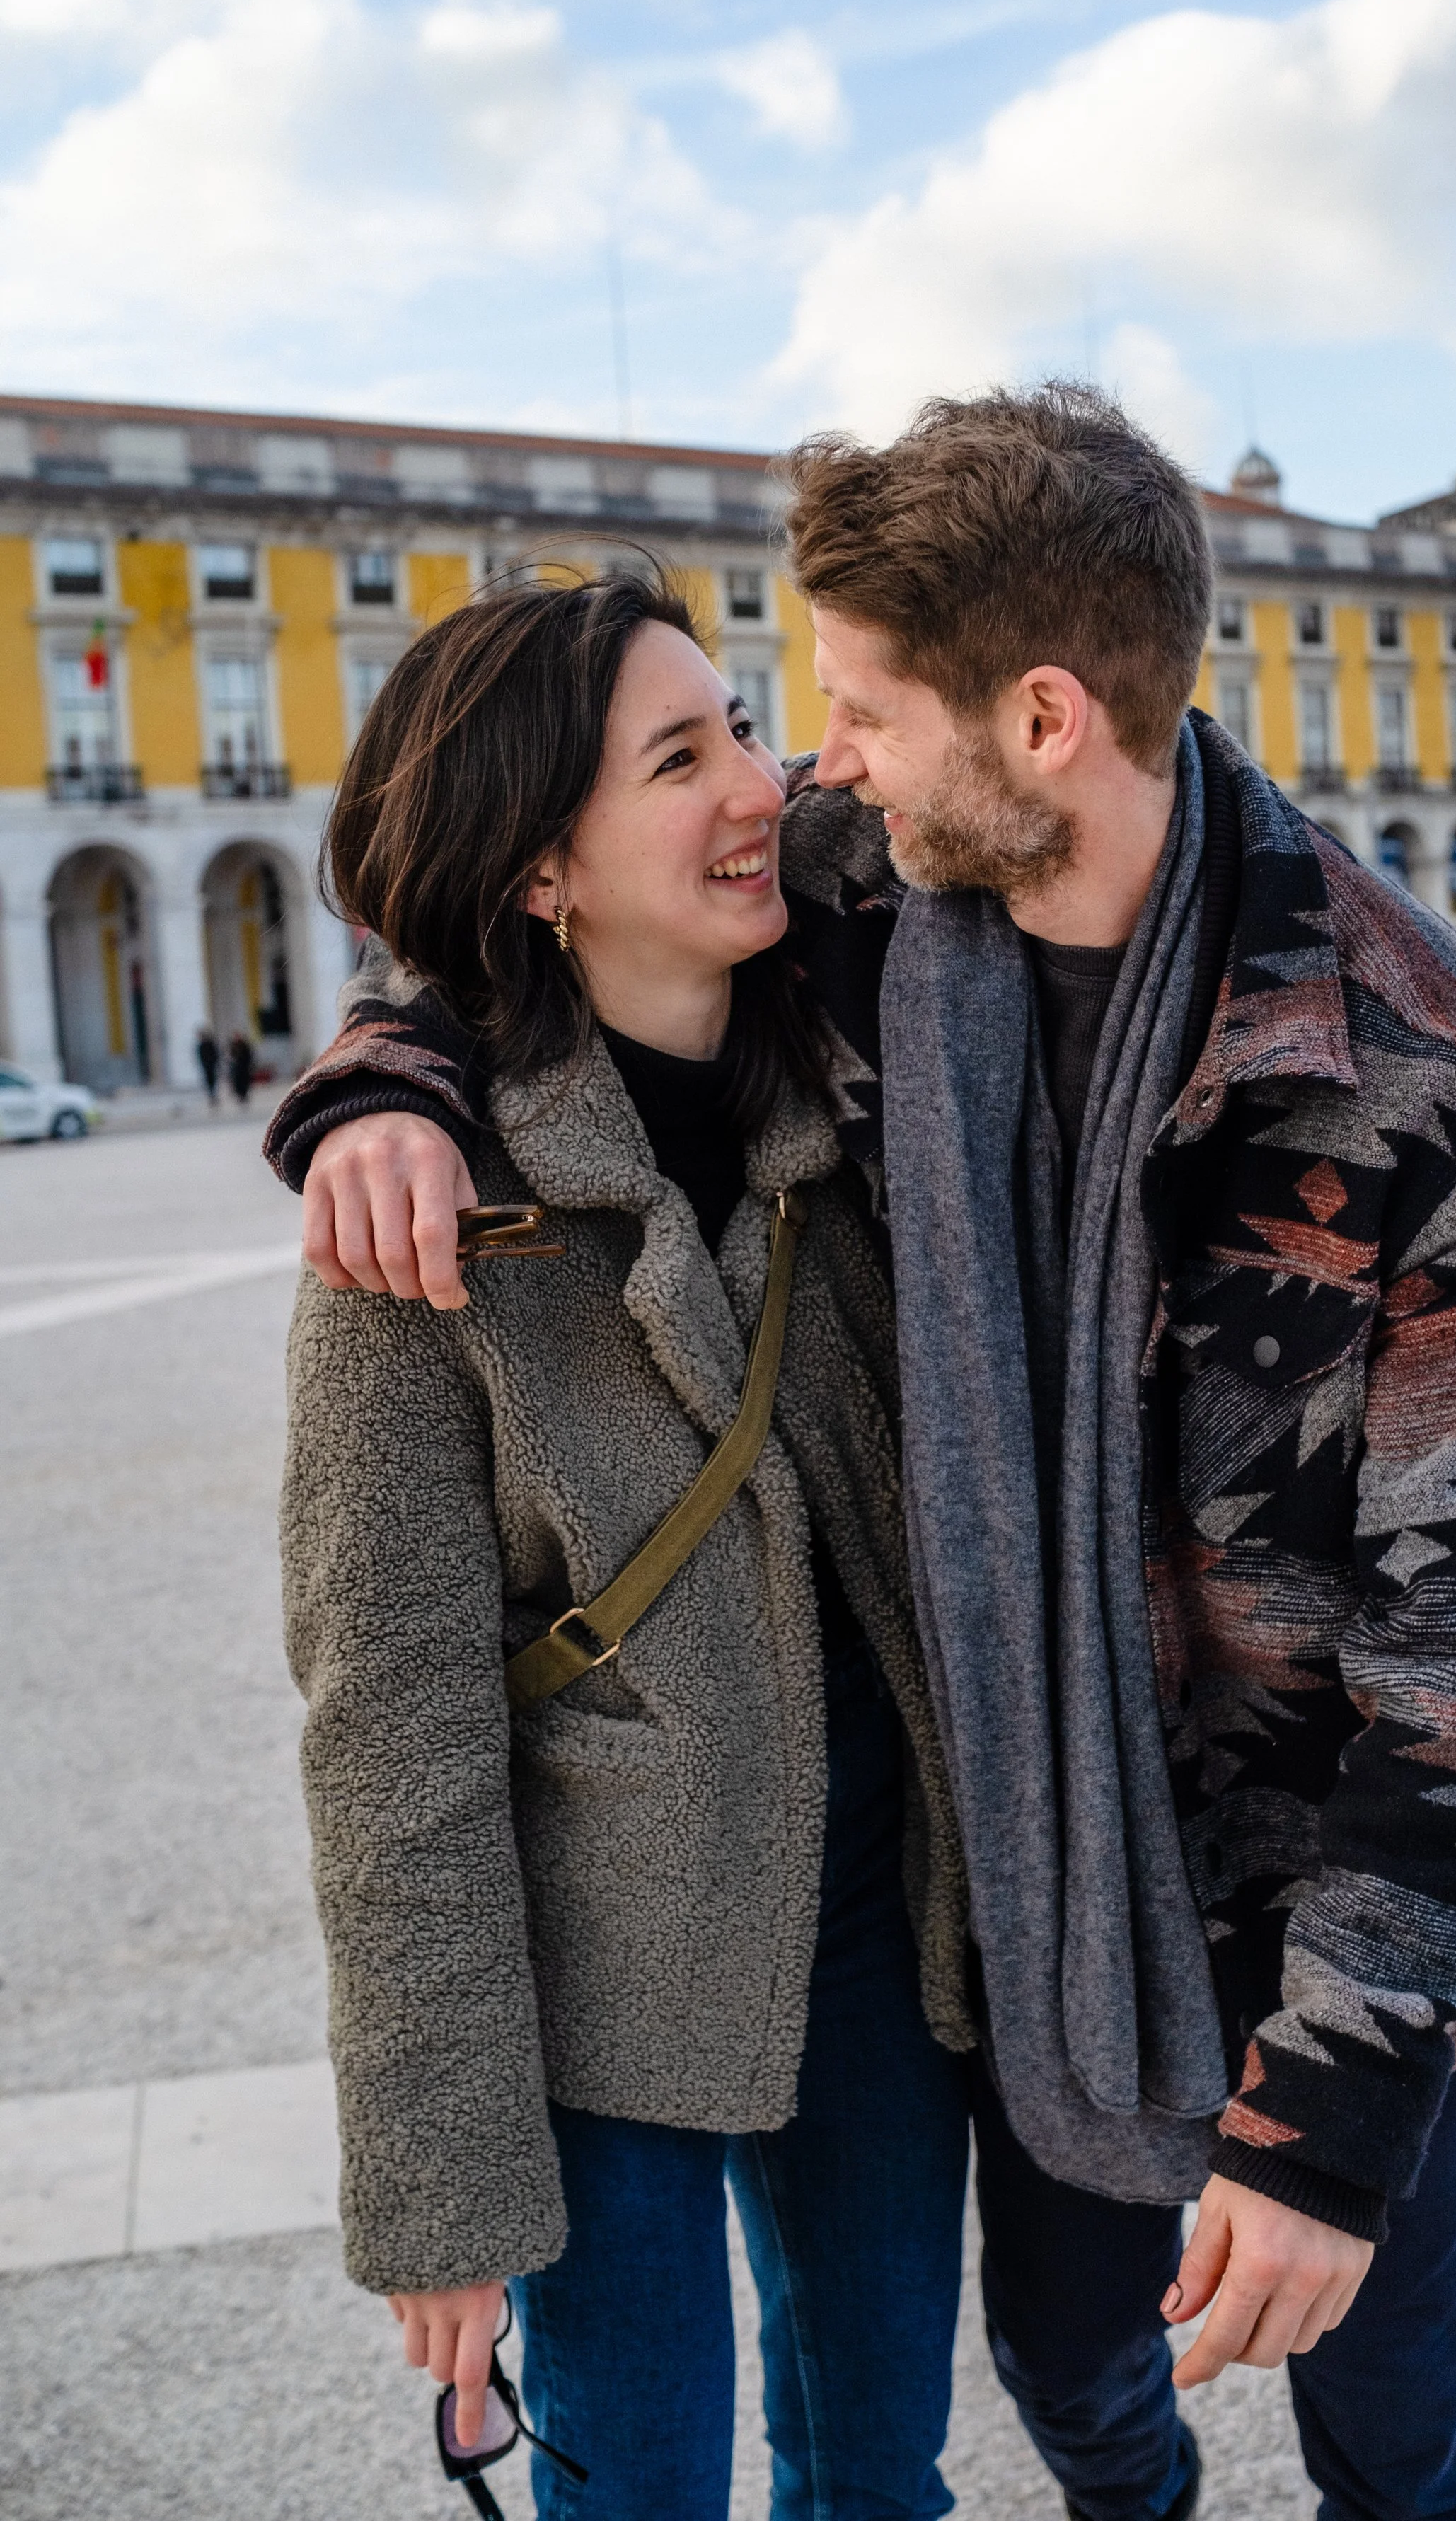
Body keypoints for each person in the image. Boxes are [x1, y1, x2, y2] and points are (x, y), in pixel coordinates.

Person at [269, 386, 1456, 2521]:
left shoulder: (1432, 1083)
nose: (813, 766)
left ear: (1044, 720)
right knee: (1073, 2395)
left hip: (1335, 1889)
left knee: (1397, 2435)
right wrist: (380, 1090)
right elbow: (516, 914)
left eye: (854, 711)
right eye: (771, 725)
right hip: (1025, 1900)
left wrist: (1332, 2116)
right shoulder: (871, 902)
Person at [279, 572, 973, 2521]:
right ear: (537, 868)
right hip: (598, 2004)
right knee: (640, 2490)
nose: (757, 782)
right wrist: (439, 2185)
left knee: (879, 2475)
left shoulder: (837, 1089)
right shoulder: (412, 1233)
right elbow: (387, 1735)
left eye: (741, 723)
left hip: (870, 1948)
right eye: (681, 758)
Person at [226, 1031, 255, 1106]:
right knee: (237, 1083)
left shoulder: (244, 1045)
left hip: (244, 1067)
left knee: (245, 1082)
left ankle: (244, 1095)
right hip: (236, 1068)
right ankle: (240, 1096)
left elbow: (249, 1055)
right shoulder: (232, 1046)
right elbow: (230, 1056)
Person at [195, 1027, 221, 1105]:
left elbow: (215, 1054)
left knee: (213, 1081)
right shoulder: (201, 1046)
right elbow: (200, 1057)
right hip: (206, 1066)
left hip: (211, 1066)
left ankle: (214, 1096)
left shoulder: (210, 1044)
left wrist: (214, 1062)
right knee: (209, 1082)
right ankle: (212, 1096)